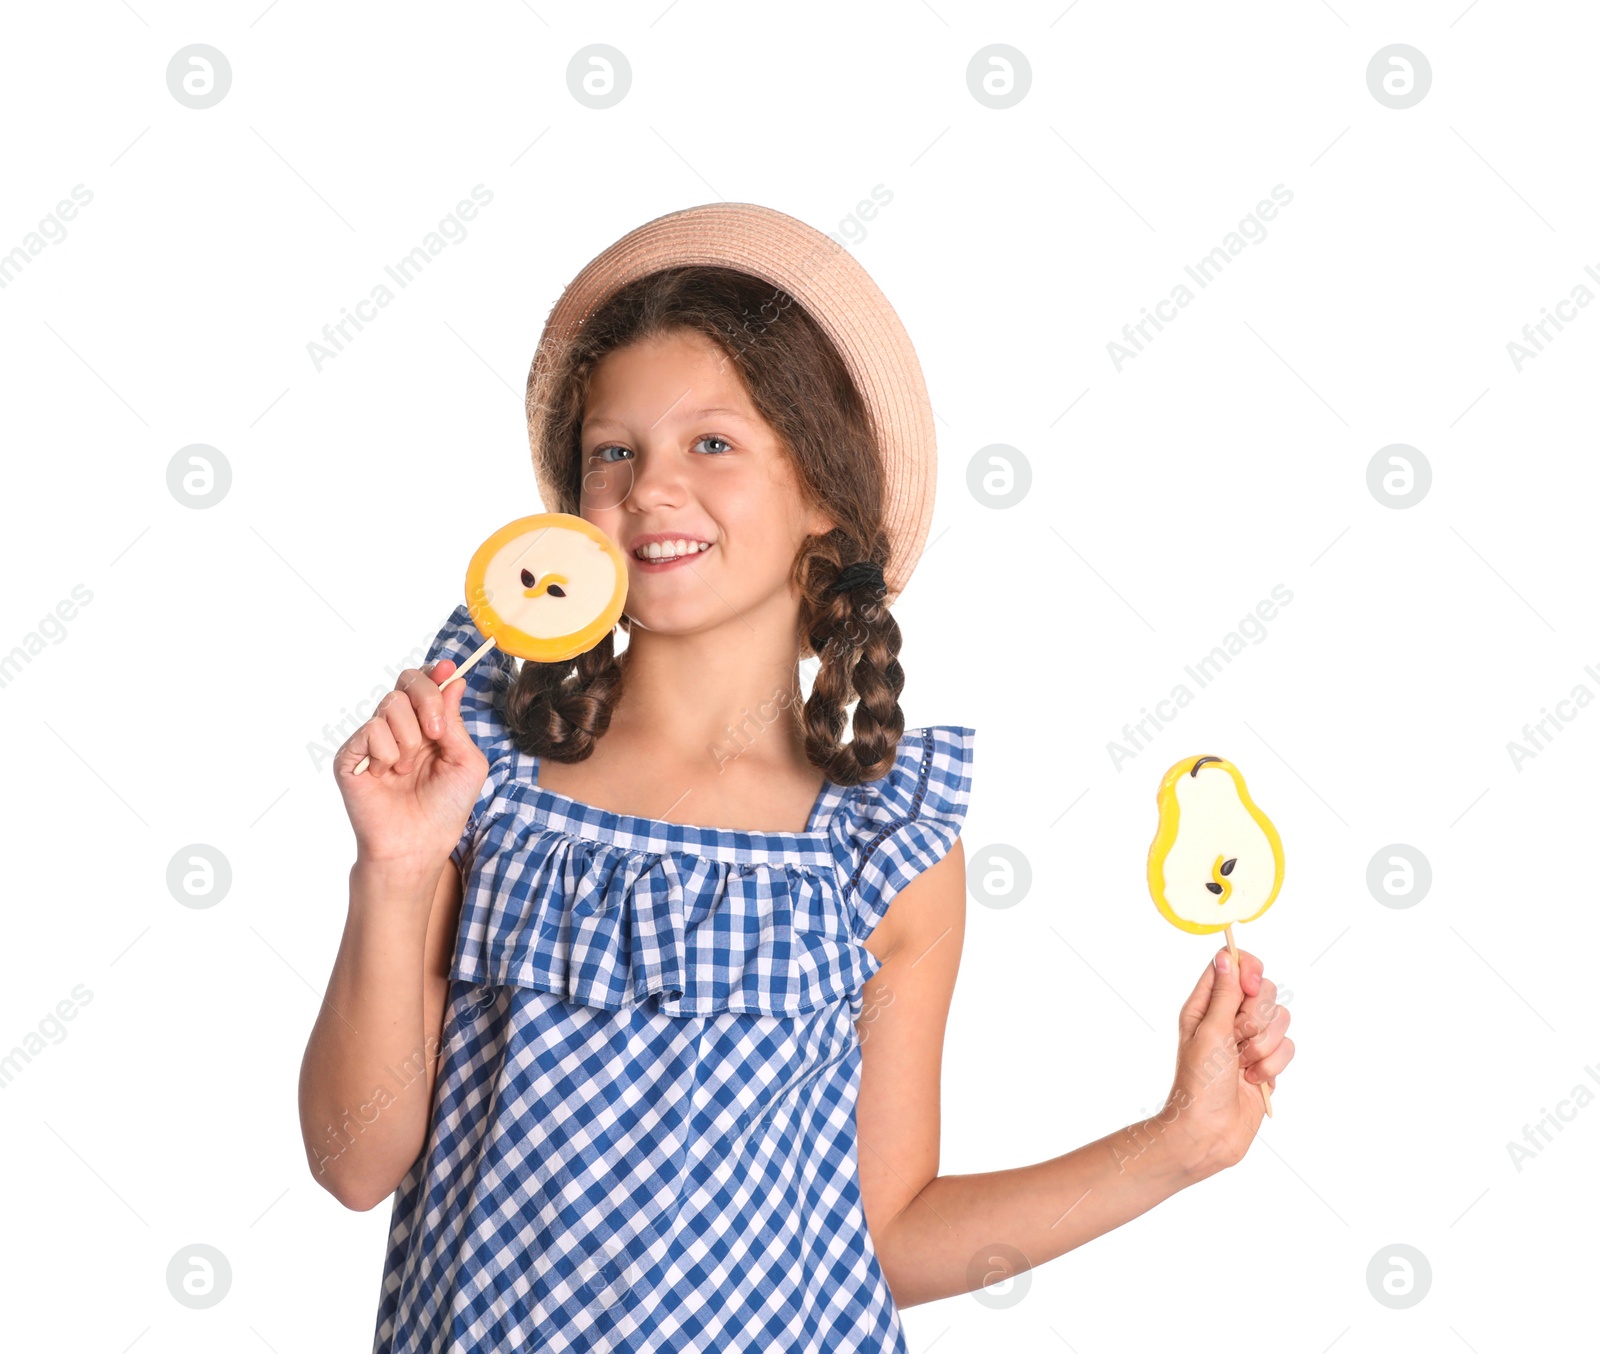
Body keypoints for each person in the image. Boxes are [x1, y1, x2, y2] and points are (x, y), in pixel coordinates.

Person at [298, 203, 1294, 1353]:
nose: (651, 489)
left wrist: (1178, 1142)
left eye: (710, 444)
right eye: (612, 452)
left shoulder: (882, 843)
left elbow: (890, 1233)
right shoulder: (484, 761)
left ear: (820, 489)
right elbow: (352, 1163)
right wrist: (399, 866)